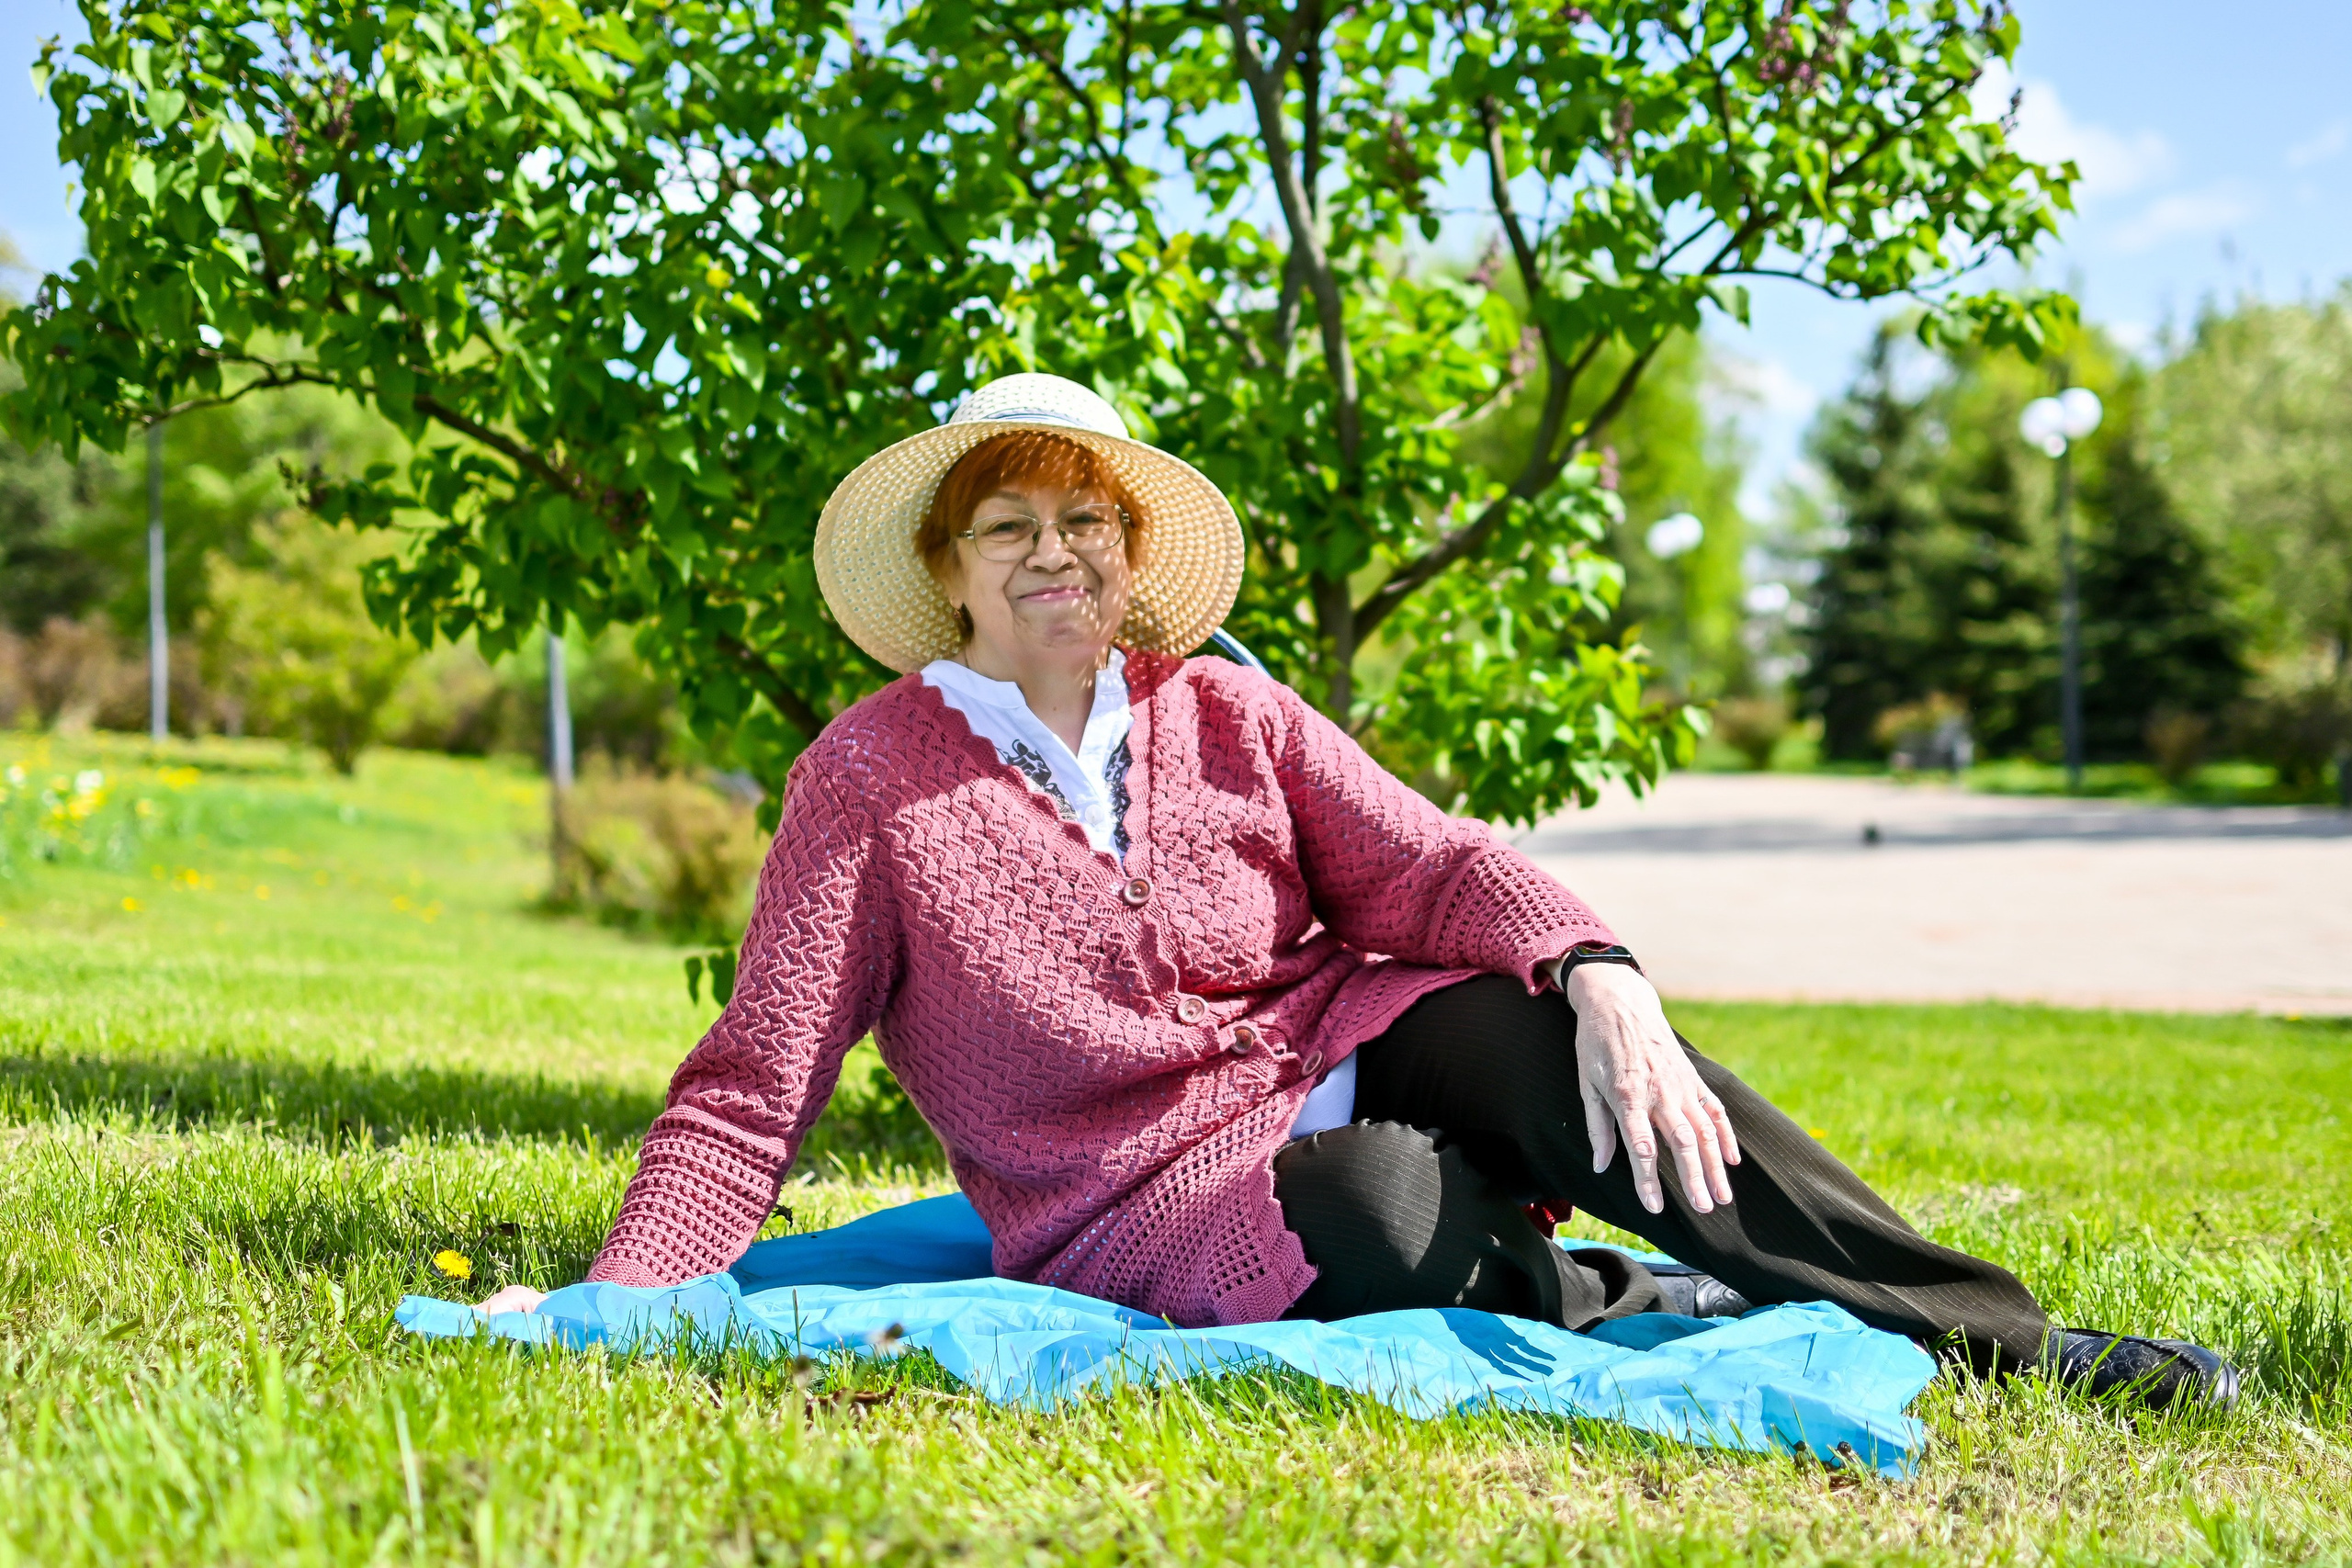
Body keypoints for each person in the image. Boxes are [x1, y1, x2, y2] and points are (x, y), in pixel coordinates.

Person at [480, 374, 2235, 1410]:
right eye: (1008, 526)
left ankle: (2004, 1341)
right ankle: (1627, 1298)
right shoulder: (866, 780)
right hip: (1141, 1193)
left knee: (1565, 1046)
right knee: (1391, 1216)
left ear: (1128, 553)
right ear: (947, 566)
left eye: (1086, 524)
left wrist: (1601, 968)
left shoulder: (1222, 707)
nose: (1054, 555)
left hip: (1342, 1041)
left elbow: (1433, 864)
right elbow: (753, 1083)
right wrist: (622, 1298)